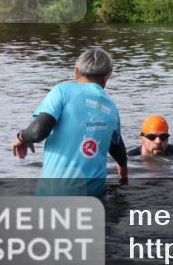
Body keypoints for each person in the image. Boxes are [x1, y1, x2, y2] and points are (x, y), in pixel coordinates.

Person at [11, 47, 127, 197]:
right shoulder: (111, 107)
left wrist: (21, 137)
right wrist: (123, 177)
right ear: (107, 77)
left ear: (76, 72)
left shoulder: (62, 92)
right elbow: (117, 148)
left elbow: (38, 131)